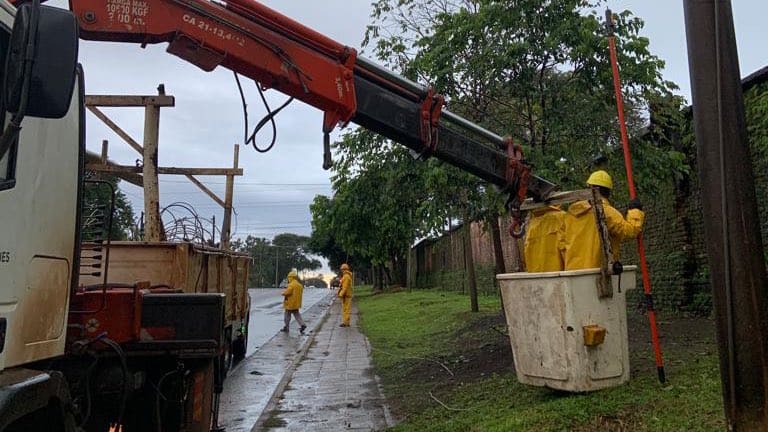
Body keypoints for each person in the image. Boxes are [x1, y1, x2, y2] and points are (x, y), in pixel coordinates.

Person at [560, 170, 644, 270]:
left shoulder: (571, 213)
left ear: (588, 188)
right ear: (608, 192)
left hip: (573, 272)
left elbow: (562, 242)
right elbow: (629, 231)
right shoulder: (607, 212)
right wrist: (635, 211)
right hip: (598, 272)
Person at [523, 205, 566, 272]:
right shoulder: (561, 217)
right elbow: (566, 247)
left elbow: (527, 250)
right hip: (557, 275)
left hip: (537, 275)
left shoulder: (532, 223)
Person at [281, 270, 307, 334]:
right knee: (297, 315)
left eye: (289, 277)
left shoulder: (291, 285)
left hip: (290, 303)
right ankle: (302, 324)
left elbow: (288, 292)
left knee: (287, 315)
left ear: (291, 277)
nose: (288, 279)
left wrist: (283, 293)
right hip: (296, 303)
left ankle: (286, 327)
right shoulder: (299, 285)